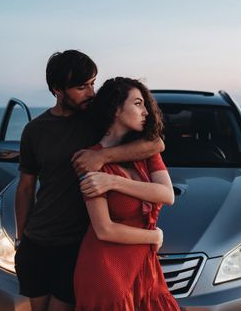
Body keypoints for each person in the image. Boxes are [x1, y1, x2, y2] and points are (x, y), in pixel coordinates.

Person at [14, 51, 164, 311]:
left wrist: (103, 155)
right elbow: (26, 188)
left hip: (74, 244)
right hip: (35, 241)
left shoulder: (96, 119)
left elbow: (155, 143)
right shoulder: (35, 131)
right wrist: (21, 239)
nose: (91, 93)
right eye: (82, 87)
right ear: (56, 90)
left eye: (93, 83)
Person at [74, 77, 180, 311]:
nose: (146, 112)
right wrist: (154, 237)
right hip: (108, 271)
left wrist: (113, 181)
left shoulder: (147, 150)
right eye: (138, 104)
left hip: (145, 267)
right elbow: (104, 229)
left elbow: (166, 194)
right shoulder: (90, 159)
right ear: (115, 109)